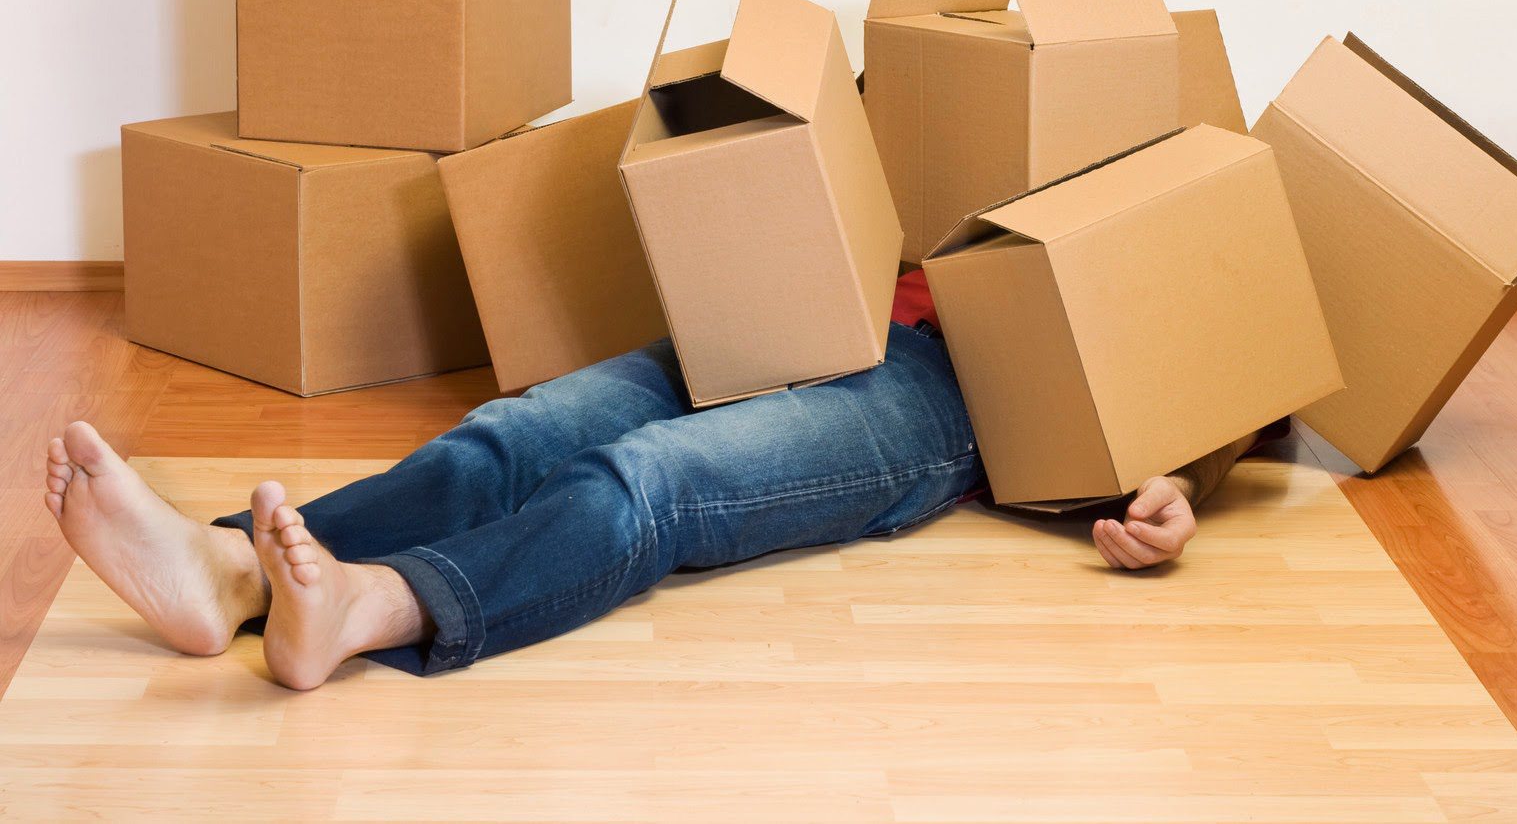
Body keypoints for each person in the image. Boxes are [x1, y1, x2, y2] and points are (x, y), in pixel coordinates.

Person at [42, 270, 1273, 690]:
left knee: (647, 478)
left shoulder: (1200, 239)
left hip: (951, 401)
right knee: (512, 434)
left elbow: (1237, 389)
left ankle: (375, 605)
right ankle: (228, 565)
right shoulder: (983, 103)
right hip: (807, 311)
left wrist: (1181, 478)